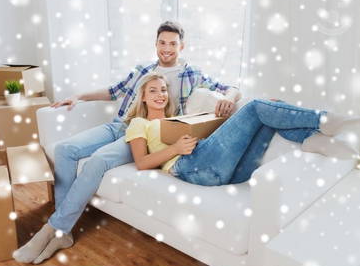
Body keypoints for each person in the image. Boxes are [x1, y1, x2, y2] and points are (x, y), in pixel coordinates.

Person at [13, 21, 241, 264]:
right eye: (162, 42)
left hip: (144, 133)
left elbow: (232, 89)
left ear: (181, 46)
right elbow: (113, 91)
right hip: (119, 125)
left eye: (172, 44)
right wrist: (78, 96)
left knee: (99, 160)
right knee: (65, 150)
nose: (166, 48)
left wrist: (229, 98)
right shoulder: (142, 69)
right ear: (155, 44)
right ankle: (62, 230)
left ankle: (54, 229)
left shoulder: (192, 74)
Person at [125, 73, 360, 186]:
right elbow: (141, 163)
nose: (160, 95)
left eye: (163, 89)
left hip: (231, 172)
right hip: (190, 167)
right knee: (257, 106)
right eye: (153, 91)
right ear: (143, 97)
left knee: (269, 113)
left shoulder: (180, 118)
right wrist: (176, 147)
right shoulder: (139, 124)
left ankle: (319, 143)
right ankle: (328, 120)